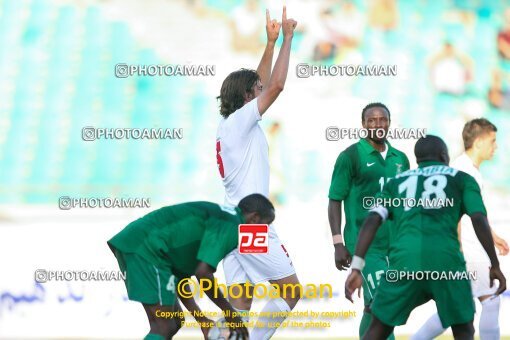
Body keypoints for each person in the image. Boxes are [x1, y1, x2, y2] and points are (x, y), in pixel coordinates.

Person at [345, 135, 507, 340]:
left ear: (418, 159)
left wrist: (357, 266)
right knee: (464, 329)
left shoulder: (397, 182)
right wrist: (494, 264)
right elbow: (478, 219)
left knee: (378, 329)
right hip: (446, 262)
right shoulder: (462, 179)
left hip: (404, 263)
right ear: (443, 155)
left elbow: (372, 220)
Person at [215, 6, 299, 339]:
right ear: (246, 97)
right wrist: (289, 39)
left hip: (229, 223)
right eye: (254, 90)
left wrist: (270, 42)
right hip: (250, 223)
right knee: (290, 292)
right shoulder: (240, 122)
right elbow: (275, 86)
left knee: (239, 308)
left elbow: (262, 83)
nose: (259, 91)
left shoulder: (230, 124)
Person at [107, 194, 275, 340]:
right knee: (163, 326)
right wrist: (232, 315)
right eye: (265, 226)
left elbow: (180, 279)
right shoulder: (231, 226)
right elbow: (203, 274)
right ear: (254, 218)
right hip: (145, 248)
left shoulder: (224, 217)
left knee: (175, 321)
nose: (263, 232)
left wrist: (202, 320)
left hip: (141, 246)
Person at [413, 119, 509, 340]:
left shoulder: (465, 168)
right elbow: (452, 215)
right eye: (492, 141)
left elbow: (471, 214)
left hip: (467, 250)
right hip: (467, 252)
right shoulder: (464, 171)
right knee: (488, 300)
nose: (496, 147)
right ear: (478, 142)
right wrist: (457, 250)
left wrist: (493, 237)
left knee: (456, 308)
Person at [328, 103, 410, 339]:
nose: (378, 124)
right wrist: (338, 243)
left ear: (389, 122)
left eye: (382, 119)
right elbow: (335, 200)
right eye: (371, 120)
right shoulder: (350, 156)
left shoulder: (401, 159)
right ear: (363, 124)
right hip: (365, 246)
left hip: (393, 246)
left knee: (373, 307)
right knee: (385, 306)